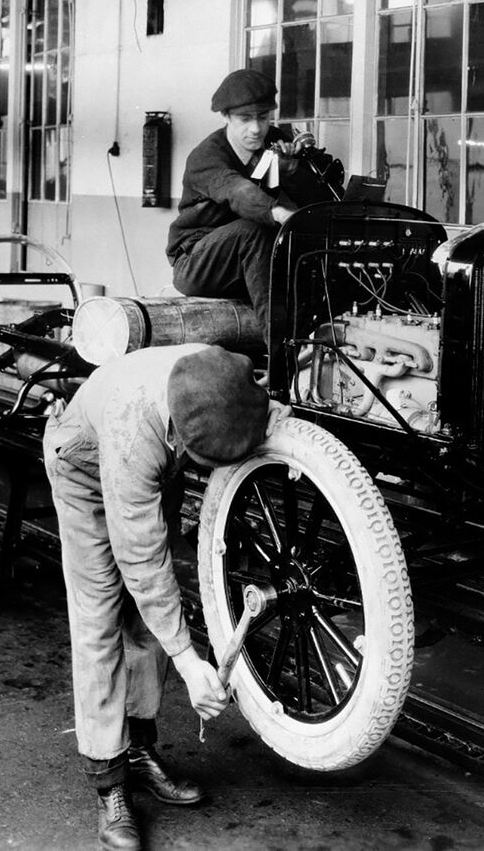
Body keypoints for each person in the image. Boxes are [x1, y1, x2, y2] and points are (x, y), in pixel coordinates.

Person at [42, 343, 285, 851]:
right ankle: (109, 781)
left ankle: (138, 750)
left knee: (144, 620)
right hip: (84, 468)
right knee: (102, 615)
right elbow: (142, 563)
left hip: (155, 467)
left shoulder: (219, 375)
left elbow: (267, 417)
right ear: (180, 435)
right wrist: (191, 660)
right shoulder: (136, 430)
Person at [166, 69, 319, 333]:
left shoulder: (274, 141)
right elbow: (238, 191)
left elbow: (314, 197)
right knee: (255, 231)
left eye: (263, 117)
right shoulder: (206, 156)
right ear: (226, 117)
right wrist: (280, 214)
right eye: (245, 119)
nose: (256, 129)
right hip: (197, 261)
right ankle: (281, 350)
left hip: (247, 263)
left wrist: (292, 169)